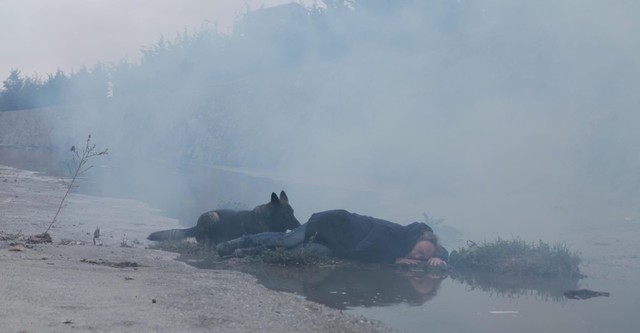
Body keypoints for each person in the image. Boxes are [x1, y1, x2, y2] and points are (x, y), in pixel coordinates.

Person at [216, 209, 448, 265]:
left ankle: (245, 254)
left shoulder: (407, 244)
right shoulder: (390, 233)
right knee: (287, 239)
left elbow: (439, 250)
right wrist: (395, 261)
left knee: (301, 252)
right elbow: (361, 251)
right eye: (419, 252)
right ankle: (235, 243)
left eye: (422, 258)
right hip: (331, 223)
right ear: (415, 240)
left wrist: (438, 258)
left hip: (334, 245)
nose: (417, 258)